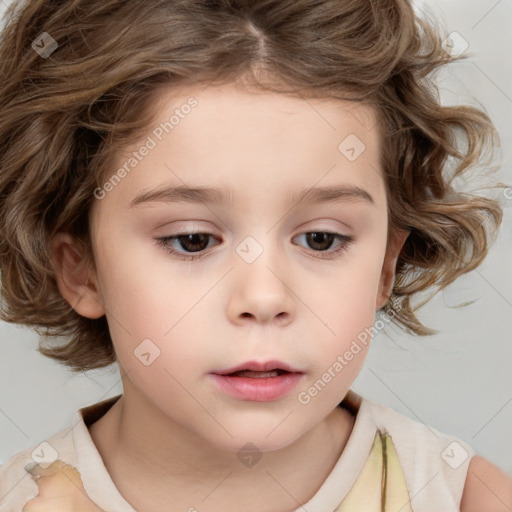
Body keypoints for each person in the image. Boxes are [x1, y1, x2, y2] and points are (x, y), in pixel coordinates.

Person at [0, 0, 510, 510]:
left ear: (384, 266)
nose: (265, 298)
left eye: (321, 239)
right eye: (192, 240)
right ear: (81, 270)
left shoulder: (465, 498)